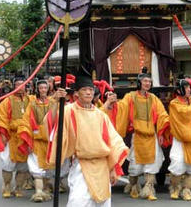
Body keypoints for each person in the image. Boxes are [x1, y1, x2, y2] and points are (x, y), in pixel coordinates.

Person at [46, 74, 129, 207]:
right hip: (81, 165)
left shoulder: (101, 115)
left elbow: (113, 142)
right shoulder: (68, 111)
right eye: (84, 89)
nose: (89, 92)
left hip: (102, 165)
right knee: (78, 202)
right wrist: (55, 102)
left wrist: (113, 168)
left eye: (91, 89)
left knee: (103, 202)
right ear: (77, 93)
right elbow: (53, 124)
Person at [115, 71, 170, 201]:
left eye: (149, 82)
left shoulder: (153, 98)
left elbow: (162, 114)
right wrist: (112, 104)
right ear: (139, 83)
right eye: (145, 81)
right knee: (135, 165)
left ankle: (149, 189)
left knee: (152, 163)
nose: (147, 84)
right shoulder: (131, 96)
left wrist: (162, 131)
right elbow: (121, 108)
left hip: (152, 137)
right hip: (138, 136)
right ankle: (133, 186)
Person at [18, 79, 65, 202]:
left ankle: (45, 190)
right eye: (41, 88)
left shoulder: (53, 102)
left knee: (49, 166)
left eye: (45, 88)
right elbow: (26, 121)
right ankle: (38, 192)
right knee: (36, 166)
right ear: (37, 90)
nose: (43, 90)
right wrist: (27, 139)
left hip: (50, 140)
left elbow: (60, 119)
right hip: (37, 140)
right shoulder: (32, 104)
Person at [0, 76, 32, 198]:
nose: (21, 87)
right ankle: (7, 185)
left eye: (23, 84)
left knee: (23, 165)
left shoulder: (31, 100)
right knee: (7, 164)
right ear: (14, 86)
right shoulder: (7, 101)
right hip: (11, 137)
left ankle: (19, 187)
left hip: (25, 137)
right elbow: (0, 118)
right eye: (18, 85)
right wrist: (3, 134)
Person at [168, 80, 191, 201]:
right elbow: (185, 113)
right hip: (180, 138)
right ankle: (175, 188)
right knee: (177, 163)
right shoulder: (174, 103)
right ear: (179, 90)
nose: (189, 89)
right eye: (186, 87)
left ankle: (187, 190)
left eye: (190, 87)